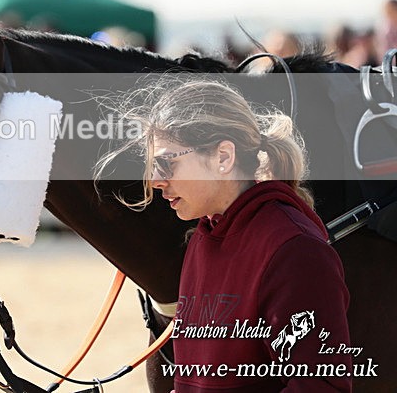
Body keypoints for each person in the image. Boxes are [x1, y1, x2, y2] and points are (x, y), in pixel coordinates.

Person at [99, 78, 351, 392]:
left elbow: (321, 388)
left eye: (166, 162)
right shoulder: (203, 237)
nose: (154, 180)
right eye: (152, 164)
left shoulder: (294, 250)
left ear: (223, 157)